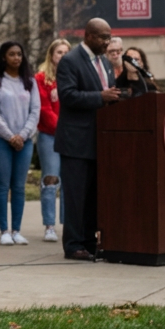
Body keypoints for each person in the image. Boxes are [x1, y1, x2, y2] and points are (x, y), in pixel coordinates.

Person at [55, 18, 122, 260]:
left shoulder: (104, 62)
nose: (107, 42)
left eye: (109, 37)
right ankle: (73, 245)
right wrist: (100, 96)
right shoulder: (70, 61)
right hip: (76, 141)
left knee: (93, 196)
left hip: (99, 140)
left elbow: (109, 93)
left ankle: (89, 241)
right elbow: (68, 95)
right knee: (76, 196)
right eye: (103, 38)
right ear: (89, 36)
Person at [0, 41, 40, 246]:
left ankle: (17, 230)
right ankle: (4, 230)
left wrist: (22, 135)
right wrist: (10, 136)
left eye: (19, 54)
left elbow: (35, 111)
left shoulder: (30, 82)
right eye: (12, 54)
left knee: (19, 187)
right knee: (2, 185)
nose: (16, 58)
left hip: (24, 142)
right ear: (4, 57)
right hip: (0, 140)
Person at [34, 39, 71, 243]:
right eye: (59, 52)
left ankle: (68, 224)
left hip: (71, 136)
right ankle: (49, 225)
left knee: (69, 181)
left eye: (66, 52)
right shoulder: (41, 79)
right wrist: (62, 127)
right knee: (51, 179)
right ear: (51, 55)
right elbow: (43, 109)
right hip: (49, 135)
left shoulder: (74, 77)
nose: (63, 56)